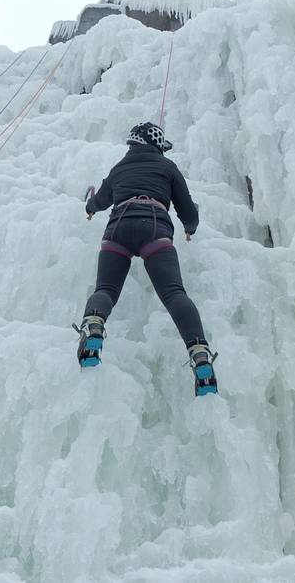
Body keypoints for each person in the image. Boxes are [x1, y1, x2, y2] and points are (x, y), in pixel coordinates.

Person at [75, 122, 218, 396]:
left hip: (117, 229)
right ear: (157, 146)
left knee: (105, 290)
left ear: (132, 143)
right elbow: (188, 211)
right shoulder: (168, 167)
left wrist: (90, 208)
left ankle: (93, 327)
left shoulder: (118, 169)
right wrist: (190, 228)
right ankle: (200, 354)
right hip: (154, 228)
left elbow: (99, 201)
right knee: (174, 293)